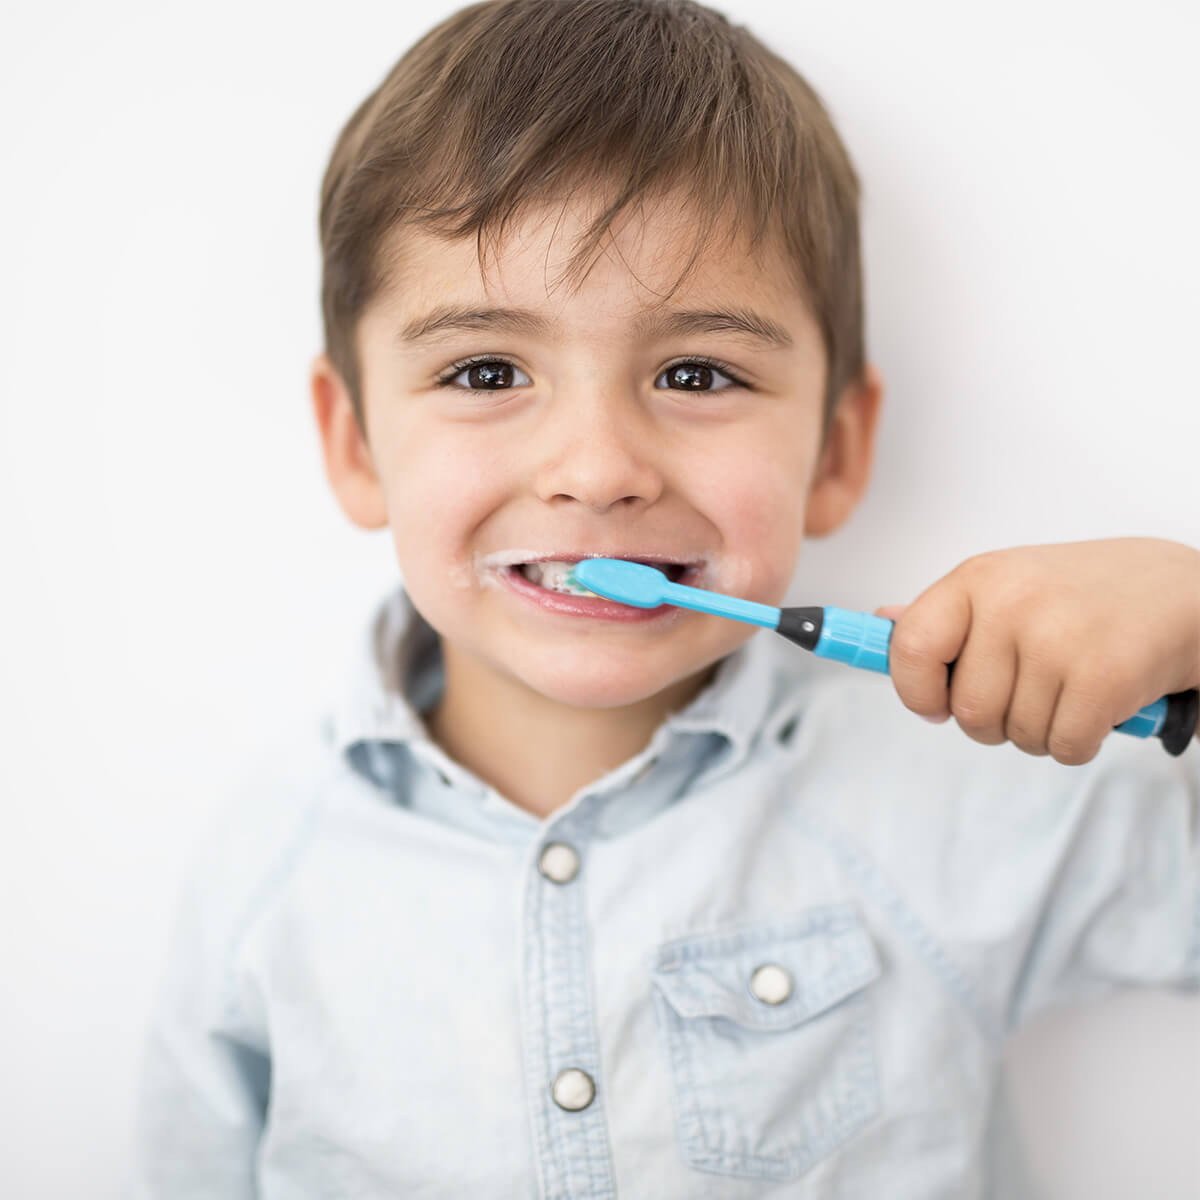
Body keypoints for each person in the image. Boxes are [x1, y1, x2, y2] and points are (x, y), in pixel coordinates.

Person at [129, 1, 1200, 1195]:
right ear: (357, 445)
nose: (595, 469)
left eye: (696, 373)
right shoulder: (268, 872)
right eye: (487, 371)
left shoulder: (968, 792)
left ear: (836, 451)